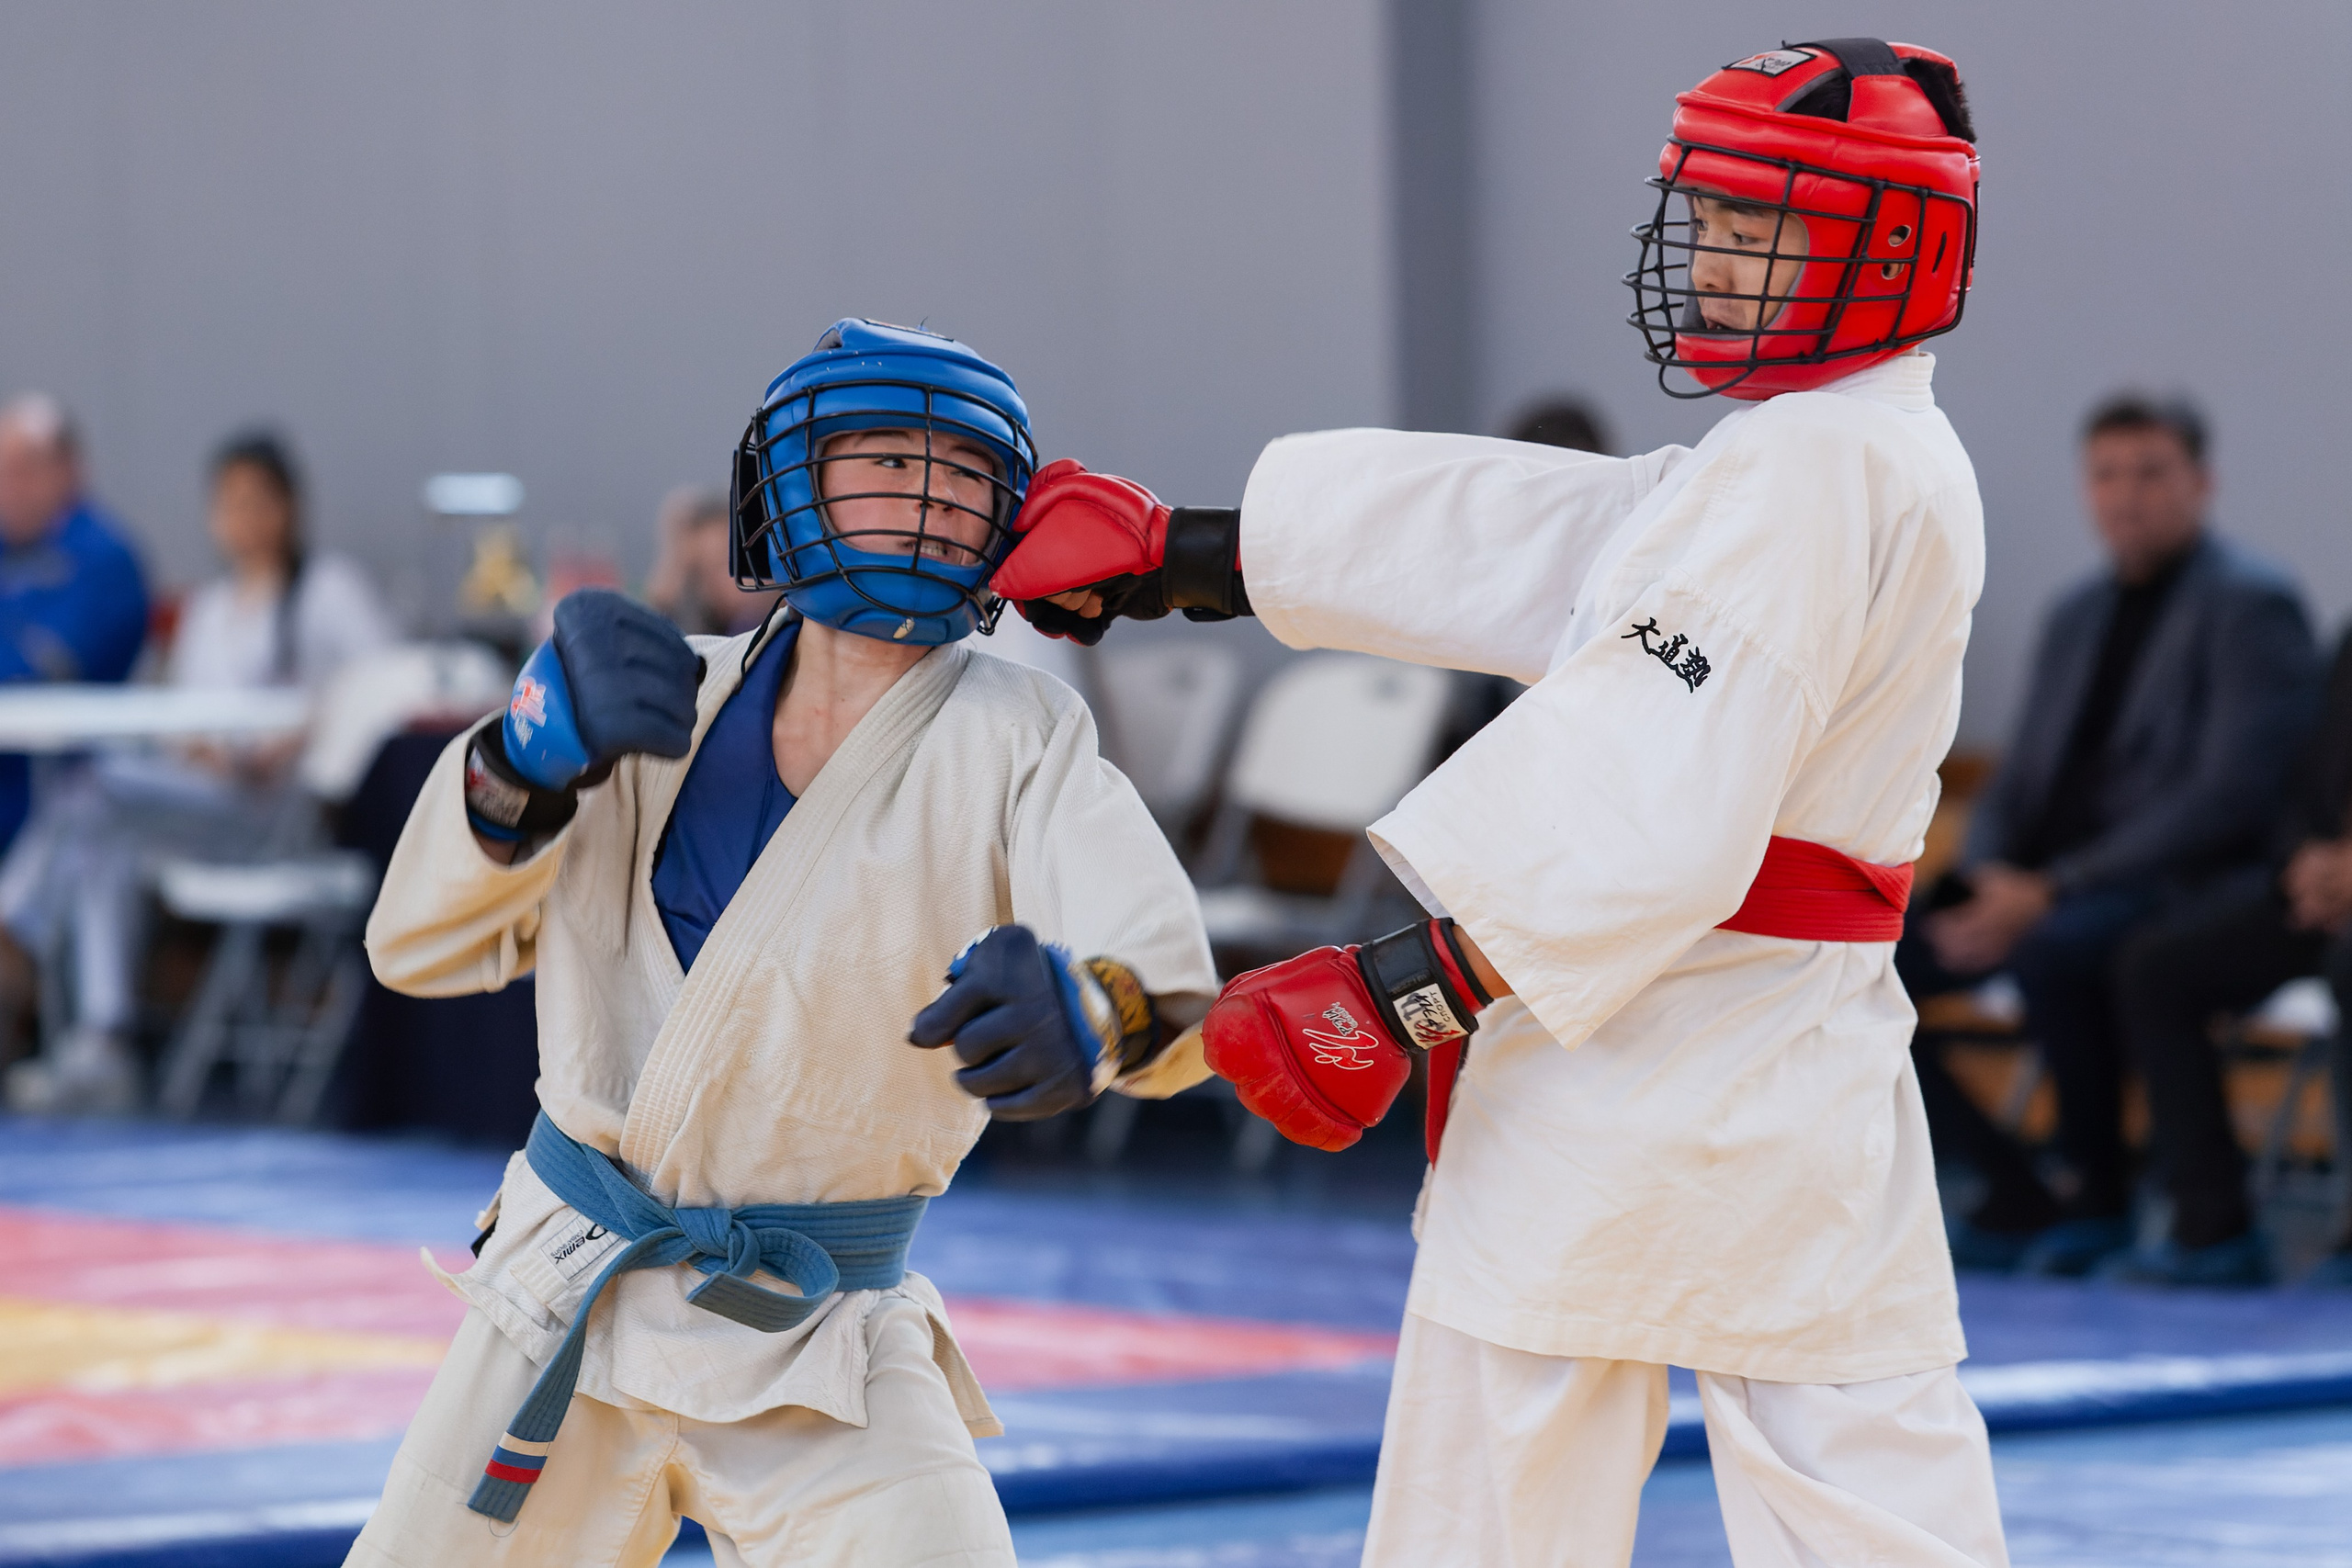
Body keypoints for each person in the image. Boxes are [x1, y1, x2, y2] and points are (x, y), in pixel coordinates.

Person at [997, 39, 2007, 1568]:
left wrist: (1405, 988)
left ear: (1893, 246)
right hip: (1795, 1051)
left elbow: (1658, 790)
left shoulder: (1815, 466)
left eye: (1764, 232)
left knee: (1500, 1483)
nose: (1719, 267)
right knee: (1866, 1477)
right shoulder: (1844, 451)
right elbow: (1565, 538)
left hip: (1636, 1029)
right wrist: (1193, 551)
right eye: (1712, 225)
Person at [346, 320, 1216, 1568]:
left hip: (825, 1338)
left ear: (1005, 518)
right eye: (881, 458)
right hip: (565, 1303)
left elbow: (1164, 973)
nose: (923, 499)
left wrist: (1104, 1012)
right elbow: (416, 945)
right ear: (790, 489)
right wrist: (516, 762)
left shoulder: (1021, 732)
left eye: (960, 473)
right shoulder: (647, 702)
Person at [1900, 396, 2318, 1275]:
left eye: (2151, 473)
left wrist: (2050, 889)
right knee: (1867, 962)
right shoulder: (2077, 612)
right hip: (2042, 883)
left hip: (2174, 885)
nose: (2128, 496)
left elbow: (2227, 796)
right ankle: (2012, 1189)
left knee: (2061, 945)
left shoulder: (2252, 605)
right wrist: (1987, 876)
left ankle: (2099, 1193)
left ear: (2201, 484)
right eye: (2108, 474)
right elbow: (2020, 776)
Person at [0, 430, 396, 1114]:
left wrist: (307, 734)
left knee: (90, 792)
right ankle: (103, 1039)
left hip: (283, 815)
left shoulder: (326, 590)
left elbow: (389, 684)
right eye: (230, 503)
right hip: (206, 805)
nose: (244, 518)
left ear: (288, 506)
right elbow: (180, 718)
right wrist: (198, 748)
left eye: (257, 501)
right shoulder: (210, 609)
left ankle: (15, 925)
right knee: (98, 828)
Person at [2100, 621, 2352, 1286]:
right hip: (2326, 890)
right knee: (2158, 966)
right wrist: (2306, 861)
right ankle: (2212, 1227)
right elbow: (2306, 780)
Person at [0, 394, 150, 851]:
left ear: (69, 469)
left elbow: (45, 666)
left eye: (25, 469)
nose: (10, 486)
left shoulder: (103, 556)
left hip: (65, 782)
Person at [644, 485, 774, 637]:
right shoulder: (700, 629)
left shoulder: (771, 626)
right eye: (704, 570)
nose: (716, 582)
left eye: (724, 563)